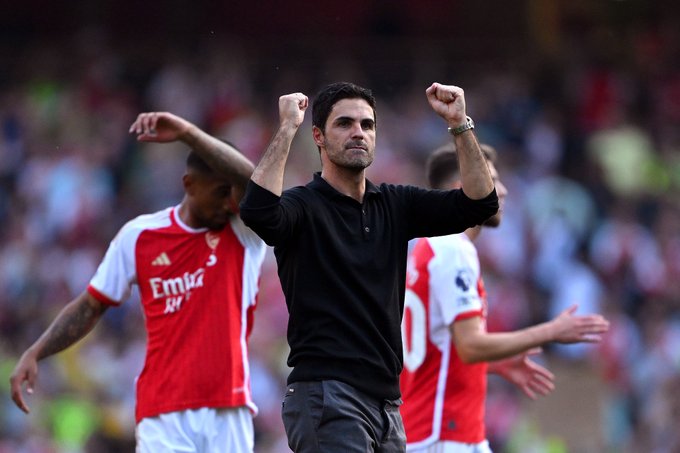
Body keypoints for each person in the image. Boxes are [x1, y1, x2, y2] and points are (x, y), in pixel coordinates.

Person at [238, 81, 498, 452]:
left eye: (367, 124)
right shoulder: (302, 207)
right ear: (318, 136)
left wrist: (459, 123)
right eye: (344, 124)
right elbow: (258, 212)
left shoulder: (395, 204)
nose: (358, 132)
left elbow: (480, 204)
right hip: (328, 395)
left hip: (388, 407)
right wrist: (286, 129)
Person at [9, 112, 266, 453]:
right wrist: (36, 351)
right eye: (219, 193)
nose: (228, 203)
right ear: (189, 185)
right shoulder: (140, 236)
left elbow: (255, 182)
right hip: (162, 411)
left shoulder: (243, 231)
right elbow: (91, 304)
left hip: (228, 406)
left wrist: (188, 133)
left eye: (232, 194)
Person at [399, 143, 611, 452]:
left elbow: (438, 348)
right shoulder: (455, 250)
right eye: (494, 180)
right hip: (444, 433)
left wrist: (493, 365)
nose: (504, 191)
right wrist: (551, 331)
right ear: (465, 186)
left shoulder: (424, 250)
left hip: (435, 429)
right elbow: (470, 346)